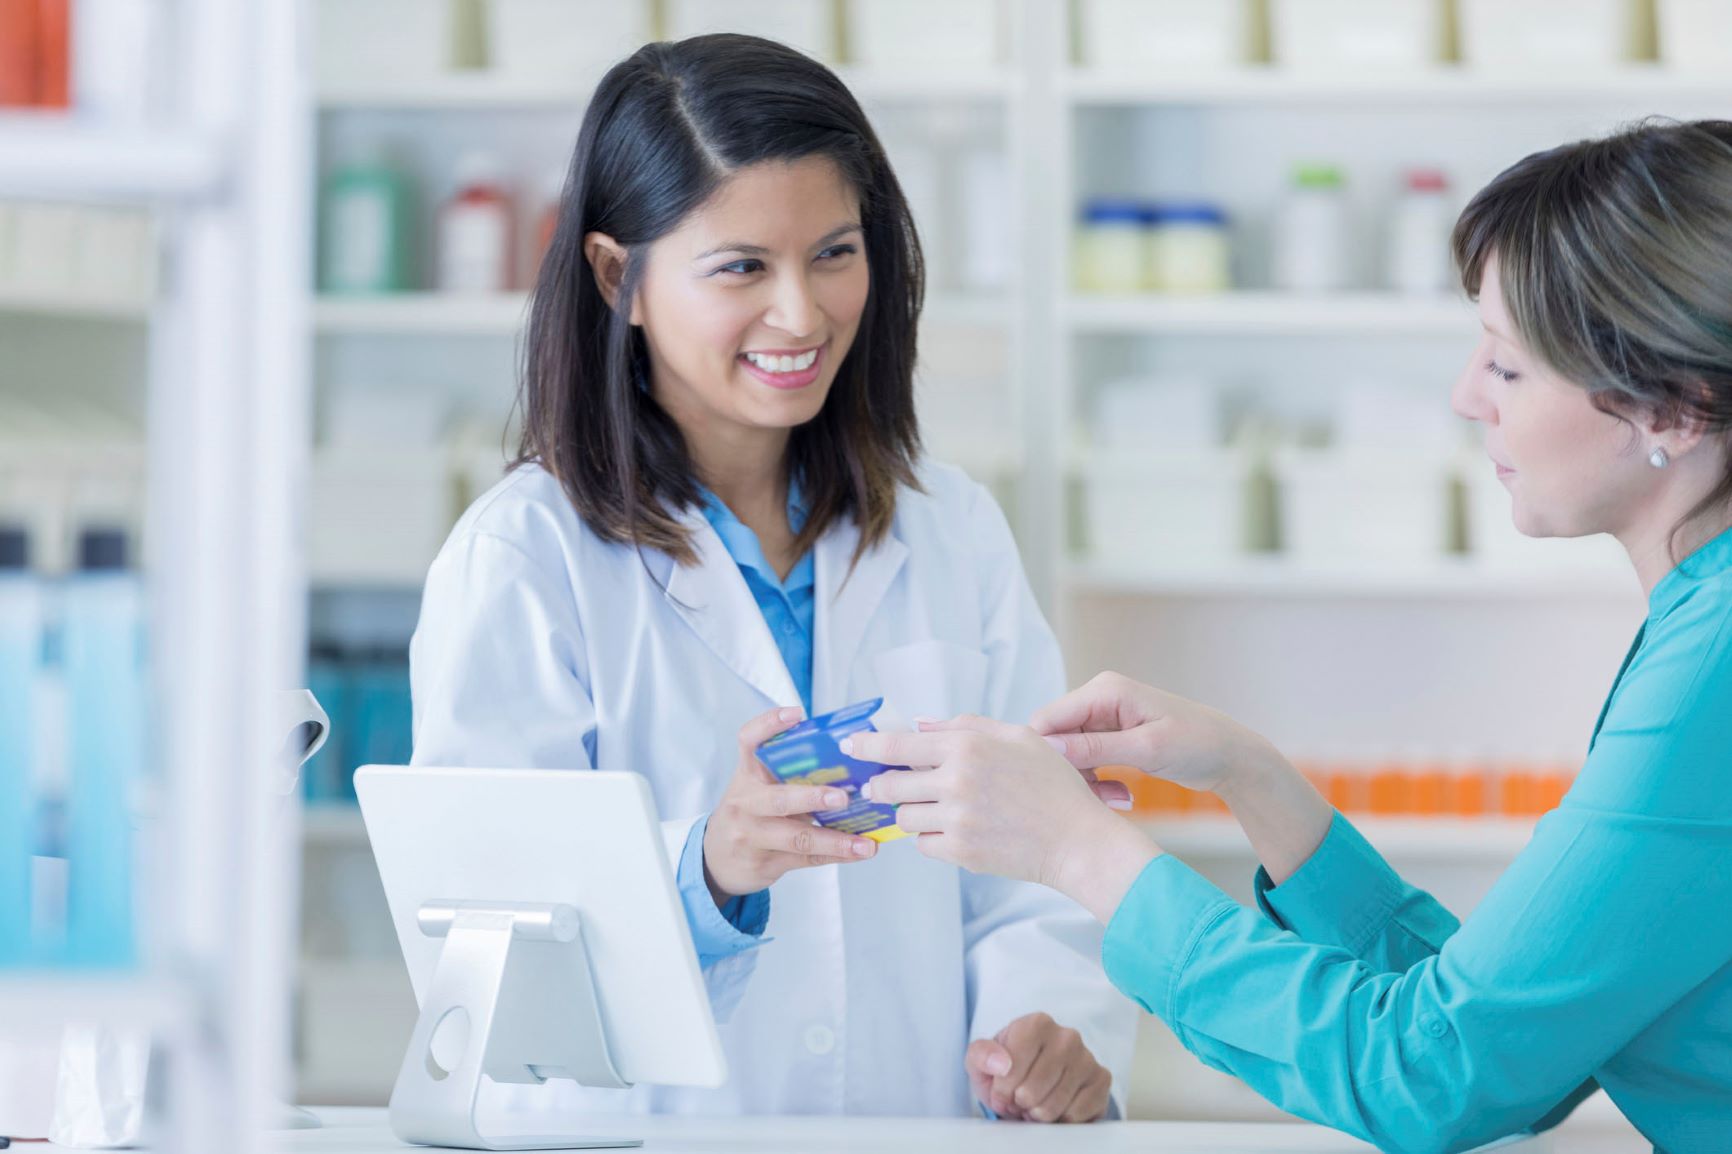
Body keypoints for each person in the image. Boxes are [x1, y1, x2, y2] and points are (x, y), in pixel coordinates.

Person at [847, 119, 1732, 1154]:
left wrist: (1080, 851)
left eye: (1506, 367)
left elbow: (1429, 1074)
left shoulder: (1711, 666)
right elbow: (1516, 1046)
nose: (1465, 396)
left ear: (1676, 407)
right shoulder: (1699, 621)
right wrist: (1249, 774)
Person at [408, 34, 1134, 1124]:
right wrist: (708, 868)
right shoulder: (524, 558)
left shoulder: (952, 530)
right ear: (616, 277)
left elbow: (1037, 874)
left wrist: (1048, 1030)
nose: (801, 313)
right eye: (741, 267)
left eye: (834, 252)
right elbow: (488, 948)